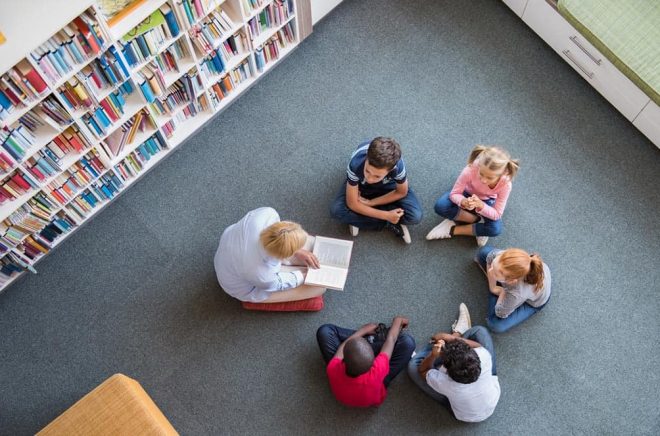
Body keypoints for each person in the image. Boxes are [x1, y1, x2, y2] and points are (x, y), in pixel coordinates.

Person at [408, 304, 500, 423]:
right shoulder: (483, 356)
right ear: (475, 356)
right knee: (480, 331)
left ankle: (446, 341)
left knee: (413, 367)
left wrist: (433, 355)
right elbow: (478, 346)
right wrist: (448, 337)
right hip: (491, 401)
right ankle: (455, 335)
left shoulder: (446, 384)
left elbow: (422, 370)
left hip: (463, 414)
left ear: (445, 370)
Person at [214, 207, 326, 303]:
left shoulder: (266, 214)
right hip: (245, 285)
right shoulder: (262, 275)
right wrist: (303, 275)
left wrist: (298, 251)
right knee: (319, 289)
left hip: (234, 250)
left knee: (311, 245)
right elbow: (279, 283)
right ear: (283, 256)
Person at [330, 137, 423, 244]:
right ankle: (389, 223)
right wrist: (387, 216)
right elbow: (352, 203)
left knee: (415, 216)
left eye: (377, 176)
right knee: (336, 211)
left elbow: (401, 192)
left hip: (388, 185)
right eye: (367, 171)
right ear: (366, 159)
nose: (369, 179)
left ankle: (360, 217)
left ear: (391, 170)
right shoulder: (355, 164)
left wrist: (370, 203)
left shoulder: (398, 167)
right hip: (361, 185)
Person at [426, 145, 519, 247]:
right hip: (467, 193)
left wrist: (481, 206)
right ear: (479, 166)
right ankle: (476, 221)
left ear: (502, 174)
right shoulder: (470, 169)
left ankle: (452, 229)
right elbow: (455, 193)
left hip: (487, 200)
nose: (483, 180)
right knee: (440, 206)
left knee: (495, 229)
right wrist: (463, 201)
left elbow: (497, 214)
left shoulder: (506, 184)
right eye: (481, 174)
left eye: (490, 177)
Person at [316, 316, 416, 407]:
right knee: (408, 342)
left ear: (343, 360)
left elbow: (344, 347)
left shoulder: (333, 367)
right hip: (376, 388)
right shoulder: (377, 370)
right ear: (373, 363)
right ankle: (372, 340)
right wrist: (398, 320)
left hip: (345, 392)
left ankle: (367, 339)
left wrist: (363, 330)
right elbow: (391, 339)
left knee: (325, 331)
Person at [475, 245, 552, 333]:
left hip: (535, 302)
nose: (490, 271)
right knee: (483, 252)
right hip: (523, 287)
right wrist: (493, 287)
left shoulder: (515, 294)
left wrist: (502, 292)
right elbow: (490, 258)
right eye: (493, 266)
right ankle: (499, 285)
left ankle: (503, 292)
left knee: (495, 325)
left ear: (511, 281)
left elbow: (500, 313)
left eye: (496, 273)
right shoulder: (500, 255)